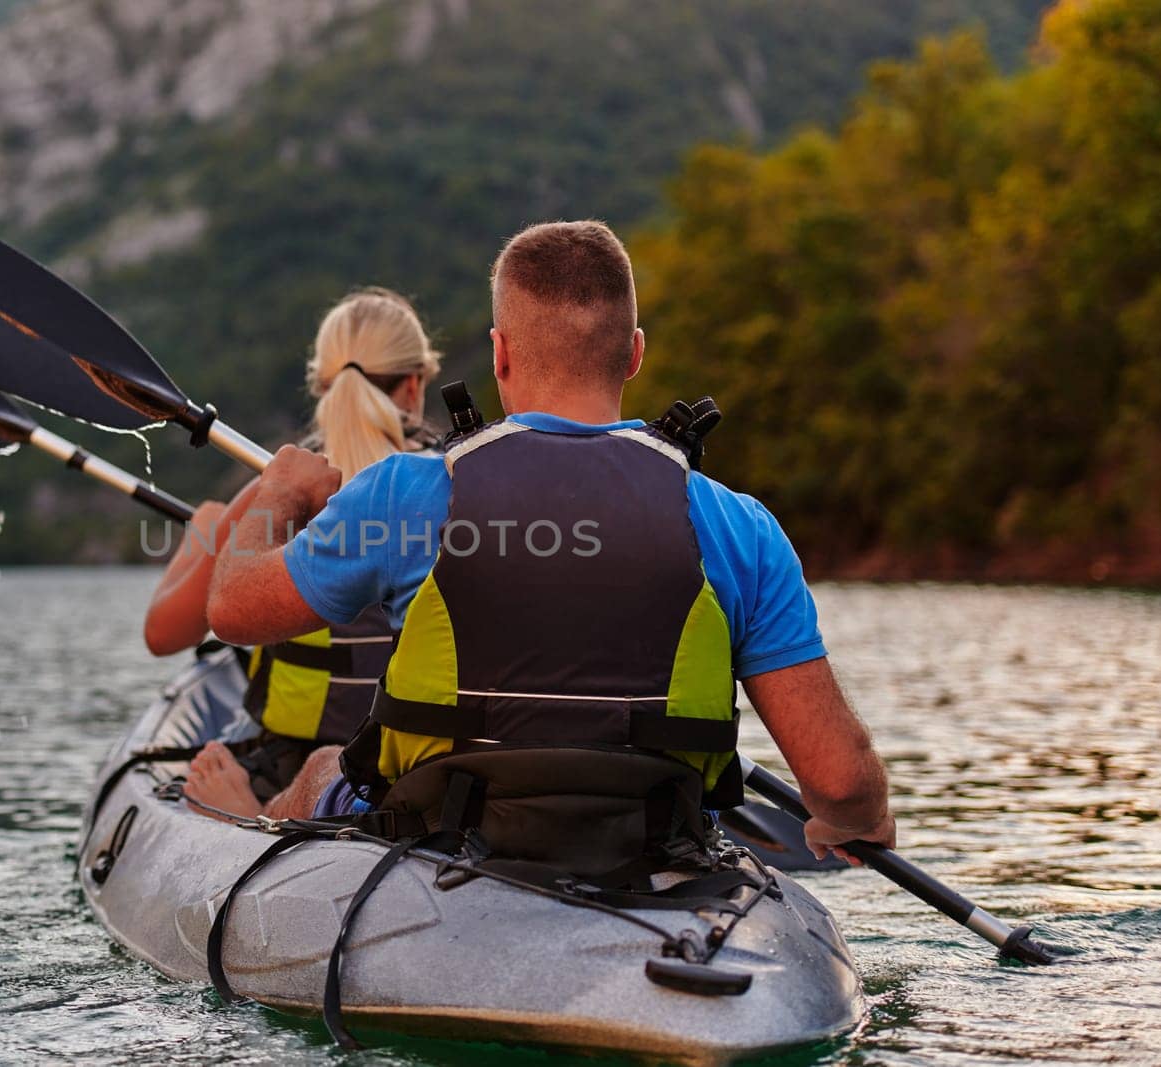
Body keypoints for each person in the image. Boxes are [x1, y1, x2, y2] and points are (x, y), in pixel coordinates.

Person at [190, 220, 895, 865]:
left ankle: (248, 821)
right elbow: (838, 780)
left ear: (499, 356)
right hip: (653, 837)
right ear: (635, 355)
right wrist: (852, 818)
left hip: (442, 829)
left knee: (322, 766)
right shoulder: (739, 524)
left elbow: (232, 607)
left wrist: (279, 493)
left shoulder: (406, 496)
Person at [143, 288, 442, 803]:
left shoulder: (274, 491)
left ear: (322, 388)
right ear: (414, 386)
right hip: (410, 765)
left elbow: (163, 634)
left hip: (288, 764)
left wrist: (207, 532)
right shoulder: (454, 486)